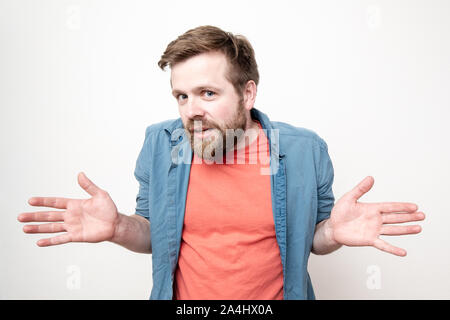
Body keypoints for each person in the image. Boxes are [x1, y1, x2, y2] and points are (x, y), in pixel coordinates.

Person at [18, 25, 426, 300]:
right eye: (181, 95)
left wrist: (333, 231)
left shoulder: (303, 150)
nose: (191, 110)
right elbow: (153, 236)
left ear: (248, 94)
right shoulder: (160, 143)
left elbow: (315, 242)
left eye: (207, 93)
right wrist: (119, 228)